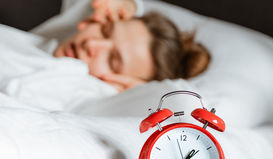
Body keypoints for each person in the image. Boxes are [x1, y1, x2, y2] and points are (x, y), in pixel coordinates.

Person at [53, 0, 211, 92]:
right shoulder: (59, 34)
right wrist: (131, 3)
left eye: (112, 61)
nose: (91, 44)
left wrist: (140, 95)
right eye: (104, 30)